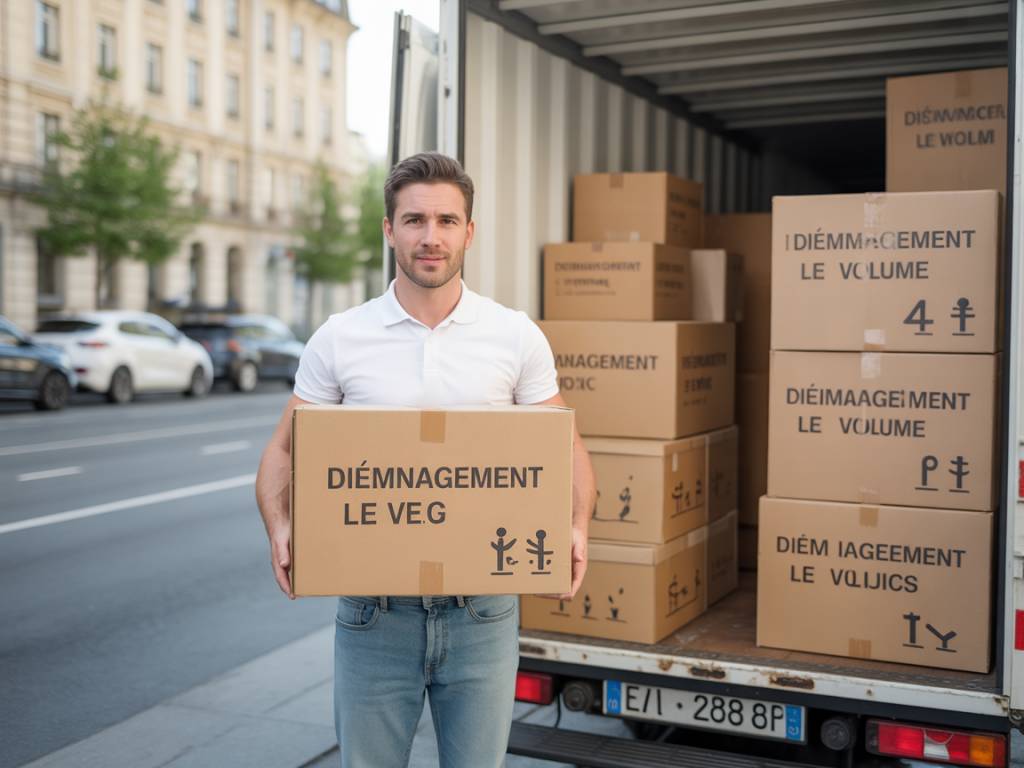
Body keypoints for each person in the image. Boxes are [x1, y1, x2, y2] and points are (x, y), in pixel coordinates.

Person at [255, 152, 596, 768]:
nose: (430, 237)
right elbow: (284, 447)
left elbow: (564, 445)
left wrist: (576, 525)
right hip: (373, 613)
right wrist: (279, 526)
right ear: (389, 230)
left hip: (482, 611)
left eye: (446, 220)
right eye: (414, 220)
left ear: (469, 232)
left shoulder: (514, 335)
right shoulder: (341, 336)